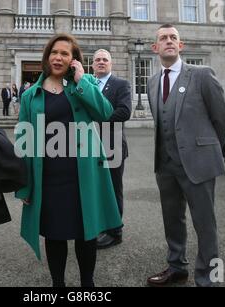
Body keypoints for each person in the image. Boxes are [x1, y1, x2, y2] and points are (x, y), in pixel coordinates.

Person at [15, 33, 122, 287]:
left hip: (82, 174)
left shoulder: (82, 86)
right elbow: (23, 140)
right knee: (54, 235)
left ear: (74, 60)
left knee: (86, 234)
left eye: (65, 53)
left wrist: (82, 78)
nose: (58, 57)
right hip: (49, 176)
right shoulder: (31, 95)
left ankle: (88, 284)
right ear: (47, 56)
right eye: (54, 52)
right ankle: (58, 284)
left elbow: (105, 113)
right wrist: (24, 184)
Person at [146, 24, 225, 287]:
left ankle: (210, 279)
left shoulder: (202, 74)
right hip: (166, 165)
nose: (169, 41)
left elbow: (221, 118)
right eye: (163, 38)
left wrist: (206, 149)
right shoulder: (152, 82)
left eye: (174, 38)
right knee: (172, 220)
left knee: (206, 225)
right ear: (155, 47)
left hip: (198, 164)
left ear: (181, 46)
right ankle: (177, 267)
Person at [92, 49, 132, 249]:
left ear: (111, 64)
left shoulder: (120, 84)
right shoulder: (88, 84)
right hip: (90, 148)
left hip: (113, 146)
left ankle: (115, 232)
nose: (101, 62)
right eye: (97, 59)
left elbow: (124, 111)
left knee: (114, 189)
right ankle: (102, 226)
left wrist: (97, 120)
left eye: (104, 60)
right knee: (98, 189)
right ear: (92, 64)